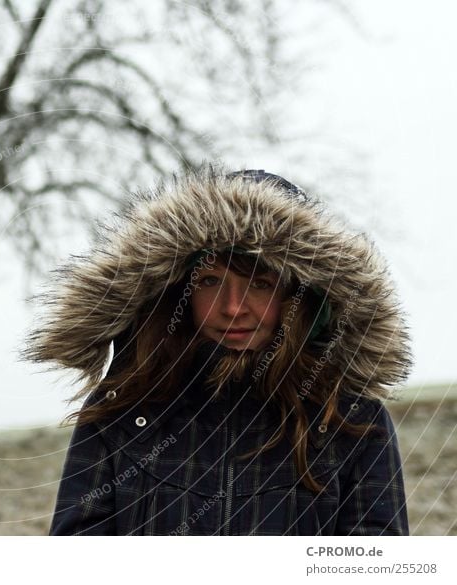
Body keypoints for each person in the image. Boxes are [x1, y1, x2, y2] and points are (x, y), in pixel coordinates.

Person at [23, 168, 412, 535]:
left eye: (259, 283)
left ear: (301, 297)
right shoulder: (123, 411)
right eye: (210, 281)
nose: (232, 307)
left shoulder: (353, 423)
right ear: (180, 292)